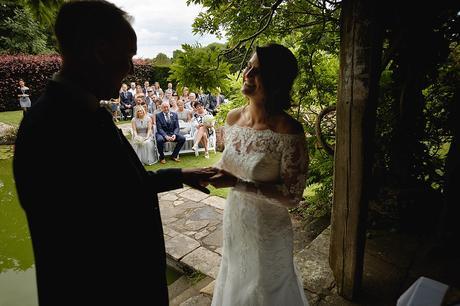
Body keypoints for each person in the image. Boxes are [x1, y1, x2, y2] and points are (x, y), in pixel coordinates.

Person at [12, 2, 217, 305]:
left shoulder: (78, 111)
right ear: (101, 51)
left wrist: (182, 175)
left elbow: (121, 186)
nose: (132, 68)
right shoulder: (55, 127)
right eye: (129, 55)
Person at [207, 43, 310, 306]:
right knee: (235, 281)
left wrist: (238, 184)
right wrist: (201, 174)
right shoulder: (232, 119)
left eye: (257, 71)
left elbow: (292, 197)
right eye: (248, 66)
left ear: (275, 81)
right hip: (235, 220)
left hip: (268, 230)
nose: (247, 74)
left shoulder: (288, 131)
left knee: (264, 290)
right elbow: (229, 165)